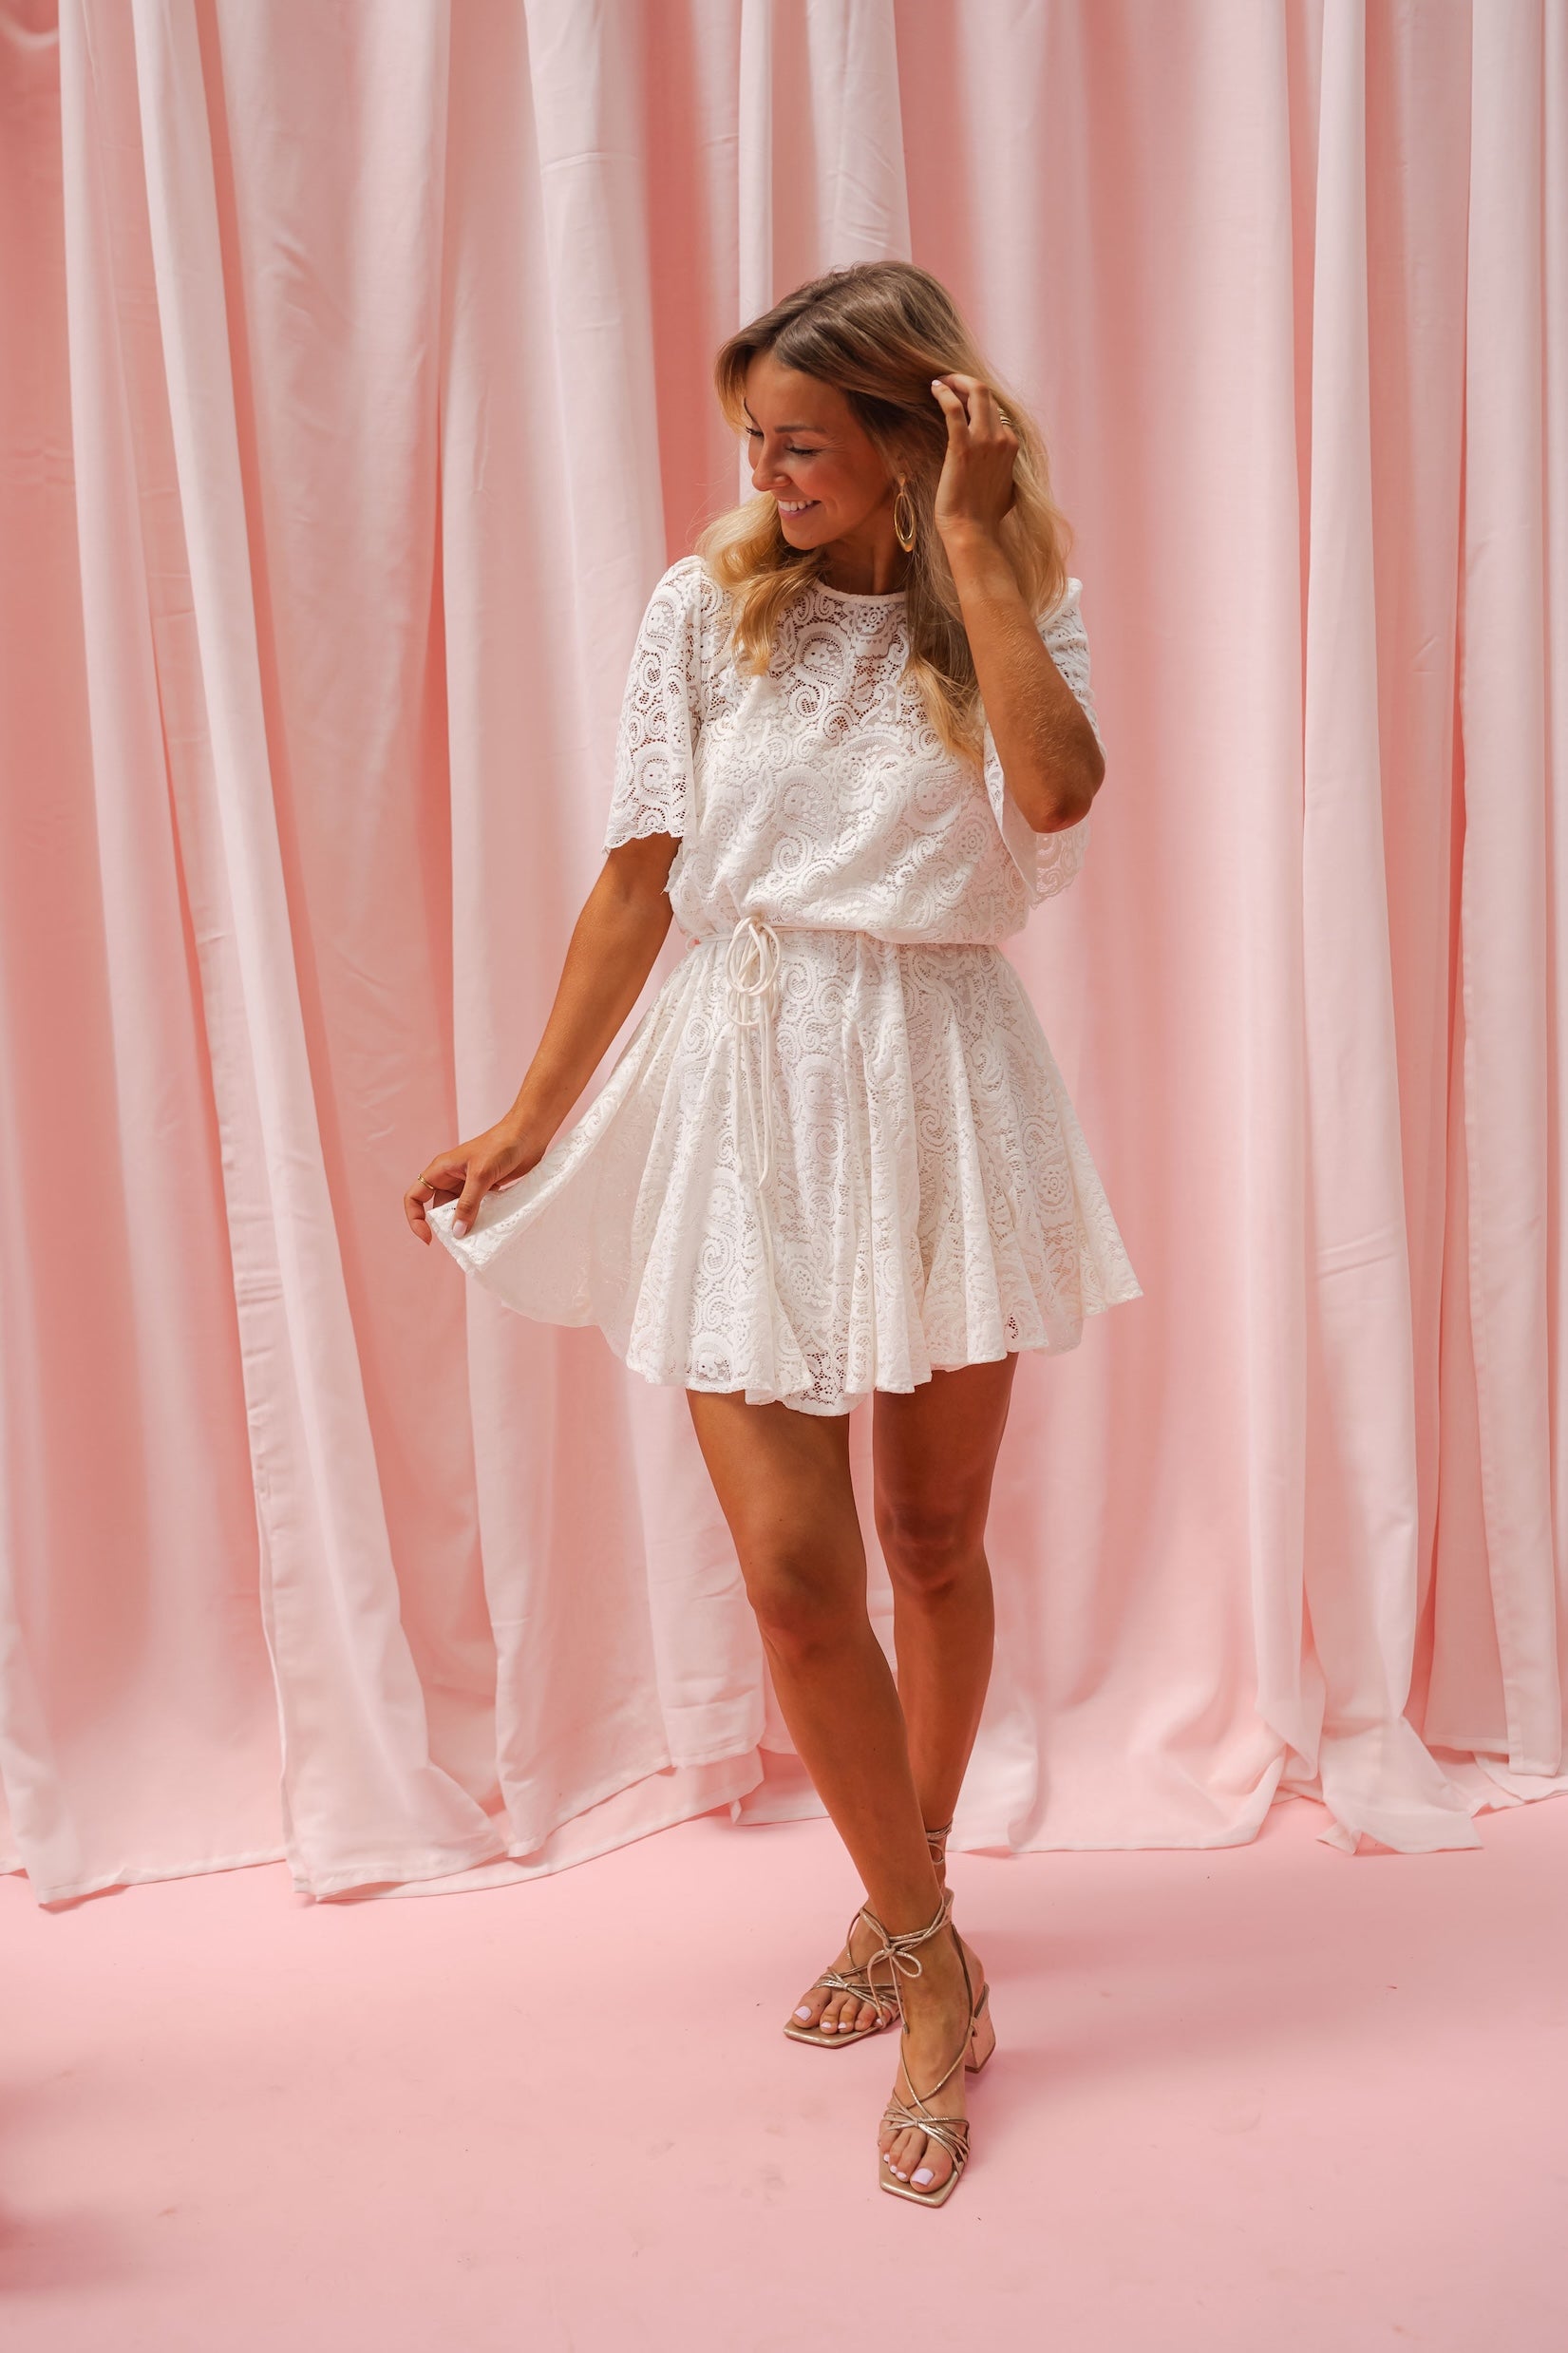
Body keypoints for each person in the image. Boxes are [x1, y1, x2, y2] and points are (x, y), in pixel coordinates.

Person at [404, 259, 1142, 2209]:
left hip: (939, 1081)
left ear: (911, 436)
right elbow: (638, 878)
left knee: (930, 1541)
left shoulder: (1016, 593)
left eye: (803, 442)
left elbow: (1058, 796)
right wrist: (529, 1117)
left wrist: (970, 552)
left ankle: (909, 1886)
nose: (766, 474)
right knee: (800, 1581)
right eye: (755, 439)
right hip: (744, 1083)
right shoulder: (704, 607)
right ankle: (931, 1960)